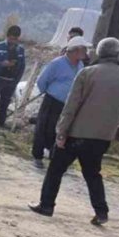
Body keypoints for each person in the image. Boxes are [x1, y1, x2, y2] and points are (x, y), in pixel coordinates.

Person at [29, 38, 119, 226]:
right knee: (93, 173)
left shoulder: (87, 73)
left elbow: (71, 105)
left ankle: (46, 205)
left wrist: (61, 131)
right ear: (117, 54)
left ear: (100, 52)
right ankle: (101, 212)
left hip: (76, 133)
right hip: (103, 136)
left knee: (55, 169)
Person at [31, 36, 91, 169]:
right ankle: (37, 156)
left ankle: (54, 156)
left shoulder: (80, 65)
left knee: (60, 130)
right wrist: (49, 92)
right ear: (76, 50)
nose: (86, 52)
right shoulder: (57, 63)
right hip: (52, 100)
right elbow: (42, 80)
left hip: (68, 104)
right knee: (43, 128)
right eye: (84, 49)